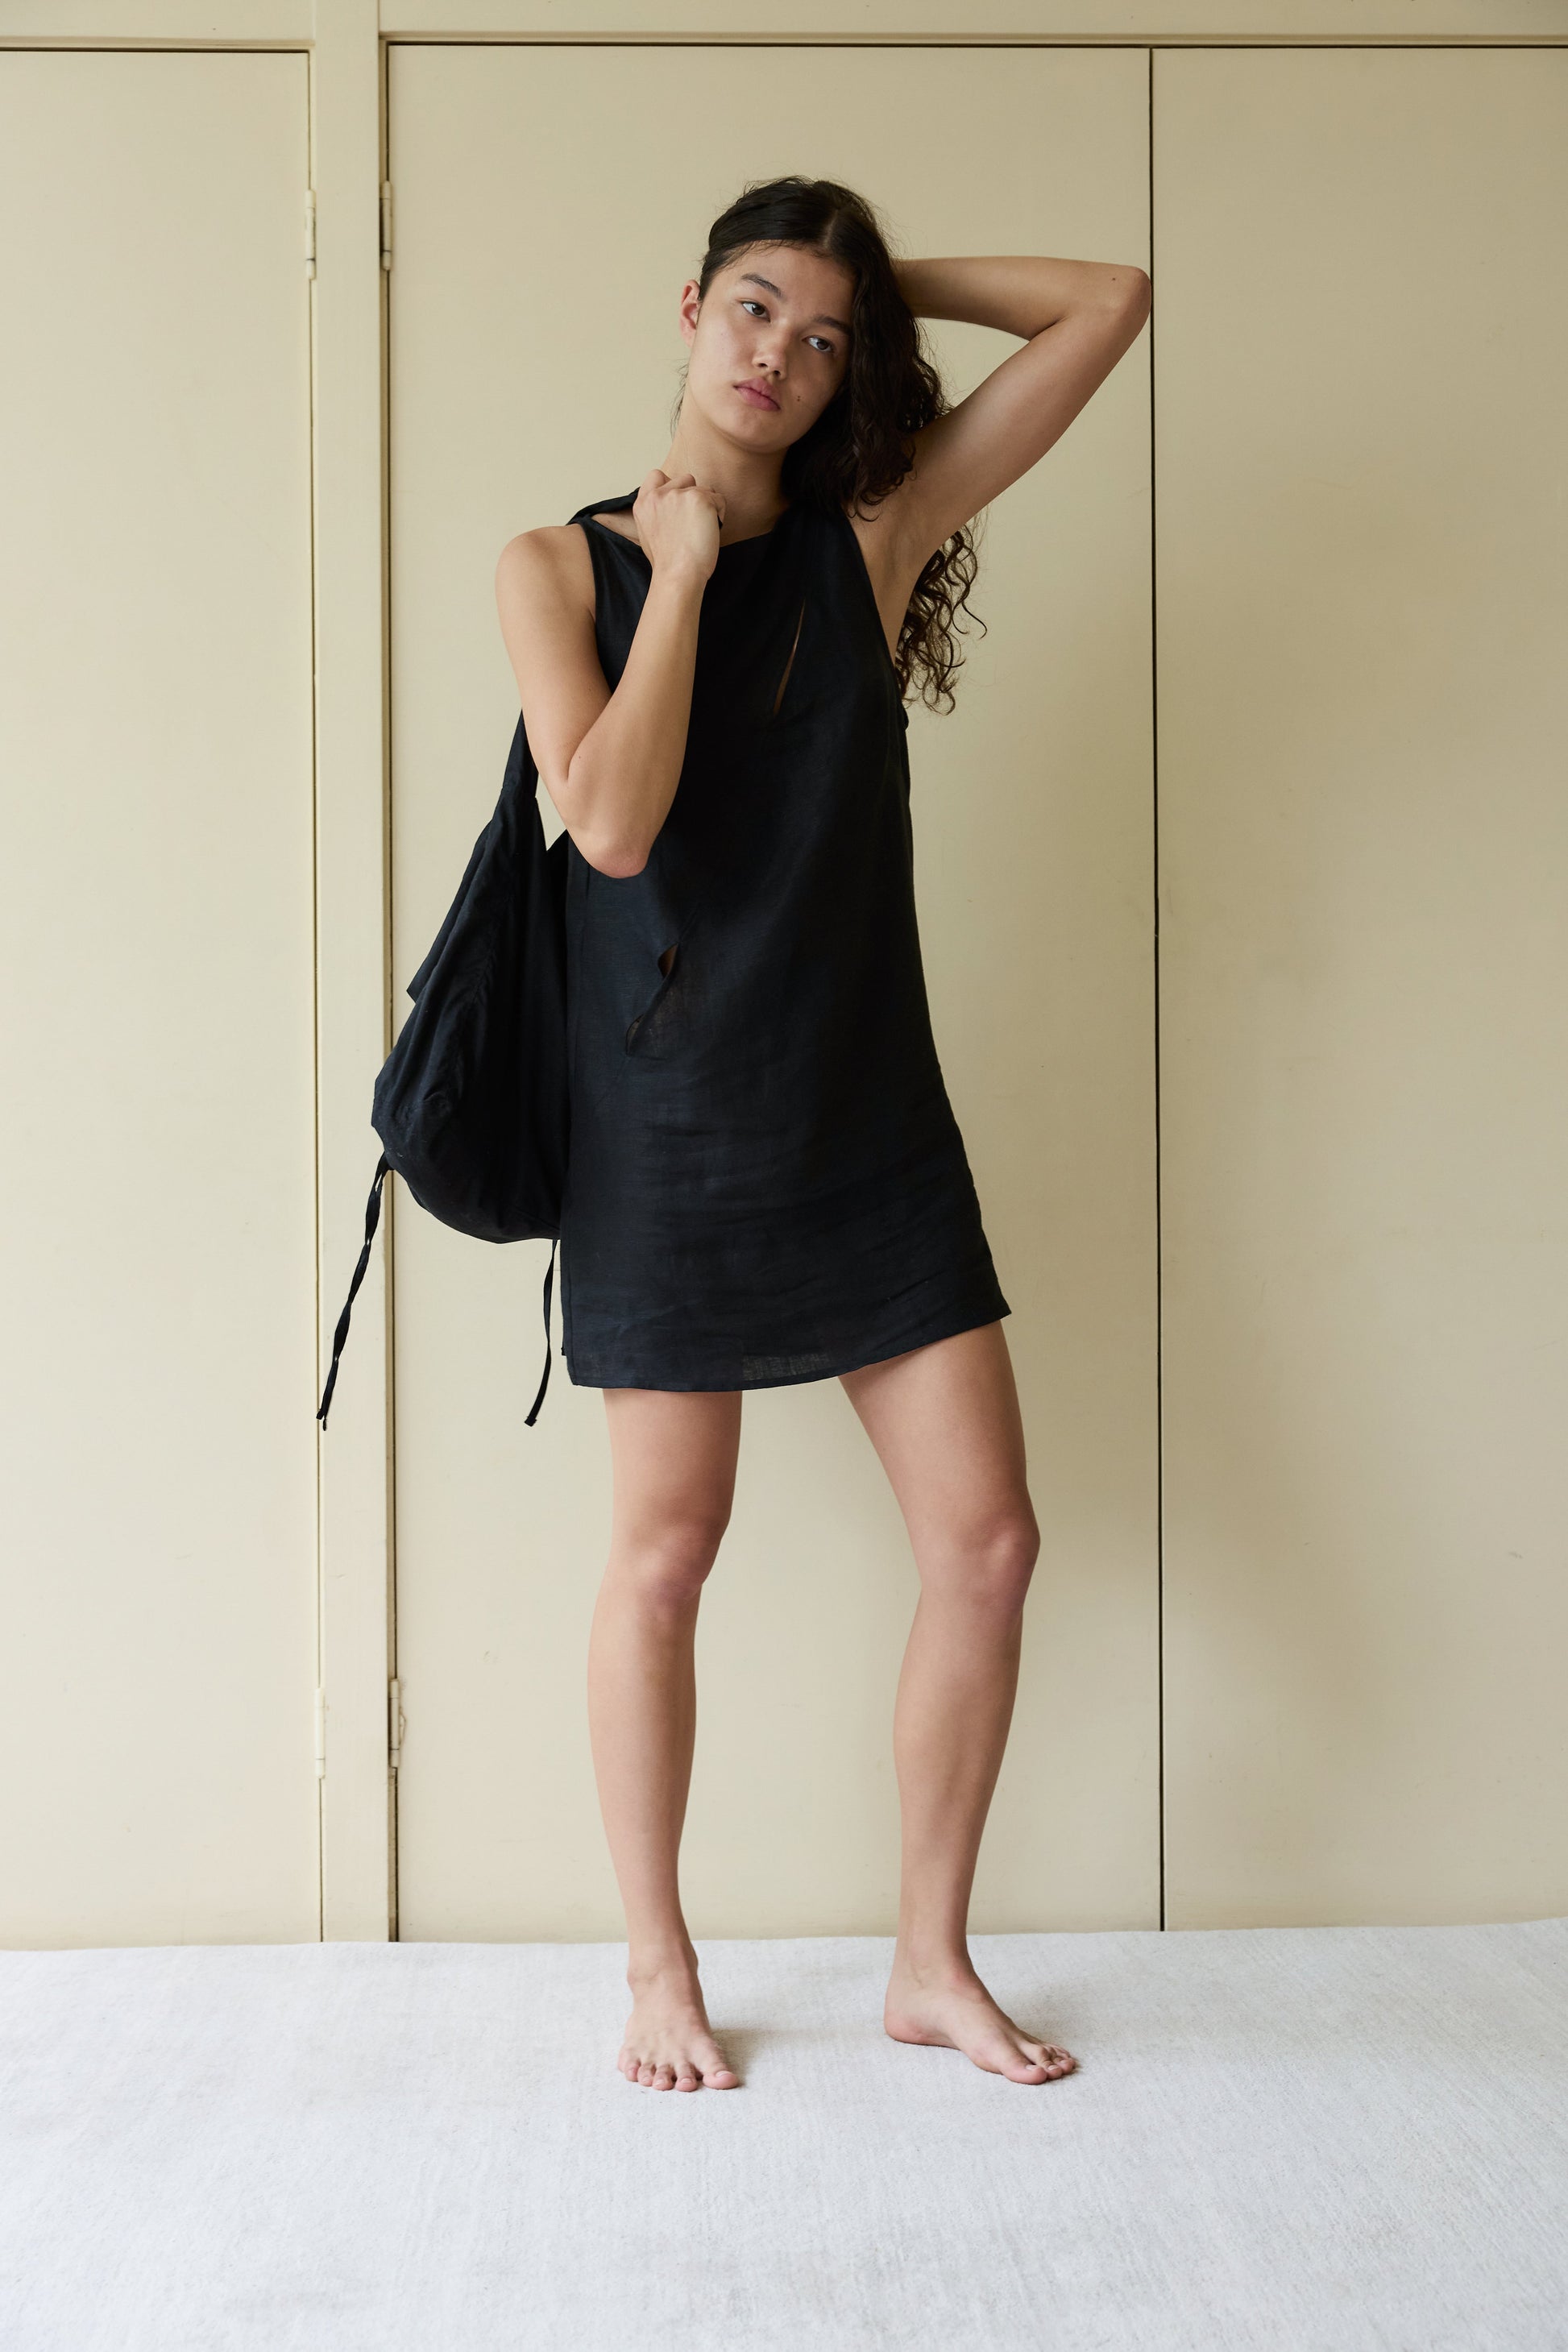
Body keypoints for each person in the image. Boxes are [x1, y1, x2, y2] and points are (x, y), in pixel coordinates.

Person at [495, 176, 1149, 2093]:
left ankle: (928, 1958)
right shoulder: (555, 562)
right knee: (664, 1554)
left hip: (867, 1125)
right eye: (755, 308)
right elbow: (609, 823)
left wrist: (884, 272)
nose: (777, 353)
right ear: (688, 306)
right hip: (665, 1132)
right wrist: (682, 573)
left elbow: (1106, 302)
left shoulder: (882, 525)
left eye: (823, 332)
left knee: (991, 1540)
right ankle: (656, 1968)